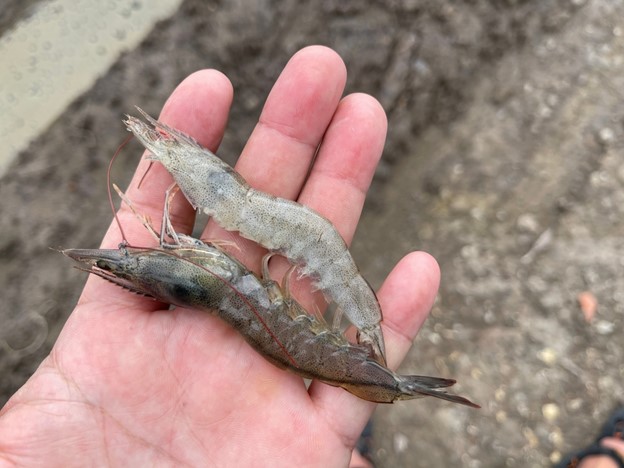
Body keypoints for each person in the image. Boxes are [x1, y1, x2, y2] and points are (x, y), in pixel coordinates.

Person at [0, 46, 440, 466]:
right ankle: (361, 442)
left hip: (291, 287)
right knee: (231, 236)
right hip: (279, 305)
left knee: (234, 229)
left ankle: (363, 431)